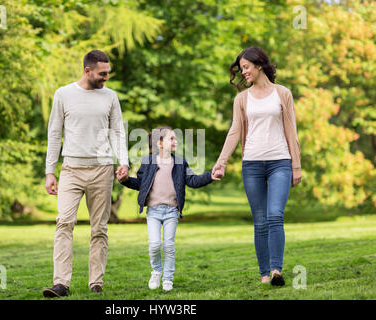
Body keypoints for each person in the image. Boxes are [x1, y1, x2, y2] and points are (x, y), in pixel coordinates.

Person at [212, 47, 302, 286]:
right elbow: (235, 131)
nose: (244, 72)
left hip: (280, 162)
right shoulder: (242, 98)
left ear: (259, 65)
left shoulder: (282, 93)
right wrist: (221, 162)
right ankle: (264, 273)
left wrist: (296, 165)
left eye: (247, 67)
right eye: (241, 69)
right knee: (260, 219)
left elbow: (291, 130)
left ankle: (276, 270)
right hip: (251, 164)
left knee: (275, 215)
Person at [43, 50, 129, 298]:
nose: (106, 78)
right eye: (102, 74)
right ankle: (61, 283)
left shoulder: (110, 97)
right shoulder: (63, 94)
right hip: (71, 169)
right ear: (87, 70)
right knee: (64, 223)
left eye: (108, 73)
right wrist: (50, 171)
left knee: (99, 228)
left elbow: (117, 133)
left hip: (102, 170)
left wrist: (123, 161)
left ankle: (96, 282)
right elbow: (54, 134)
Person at [118, 127, 214, 291]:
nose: (175, 141)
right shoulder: (148, 161)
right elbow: (141, 184)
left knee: (169, 246)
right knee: (154, 245)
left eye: (175, 139)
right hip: (153, 212)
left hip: (171, 211)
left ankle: (168, 278)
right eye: (172, 139)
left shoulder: (180, 162)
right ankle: (156, 271)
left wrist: (210, 175)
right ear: (160, 143)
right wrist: (125, 180)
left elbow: (192, 180)